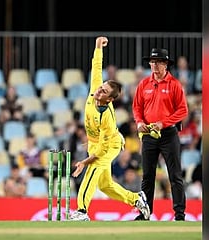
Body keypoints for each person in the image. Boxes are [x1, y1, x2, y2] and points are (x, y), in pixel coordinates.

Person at [69, 36, 150, 221]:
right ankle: (137, 199)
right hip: (95, 144)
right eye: (101, 87)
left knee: (91, 171)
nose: (99, 91)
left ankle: (81, 211)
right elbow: (96, 67)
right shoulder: (94, 91)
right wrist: (98, 46)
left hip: (109, 145)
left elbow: (100, 153)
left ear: (110, 99)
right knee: (105, 185)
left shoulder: (107, 118)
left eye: (104, 91)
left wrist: (84, 162)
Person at [132, 47, 189, 221]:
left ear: (165, 64)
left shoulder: (174, 84)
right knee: (147, 176)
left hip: (168, 134)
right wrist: (140, 122)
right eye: (152, 62)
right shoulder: (143, 84)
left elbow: (183, 110)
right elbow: (137, 107)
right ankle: (145, 213)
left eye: (158, 62)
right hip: (149, 134)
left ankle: (179, 214)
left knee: (175, 175)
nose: (154, 65)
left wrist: (163, 123)